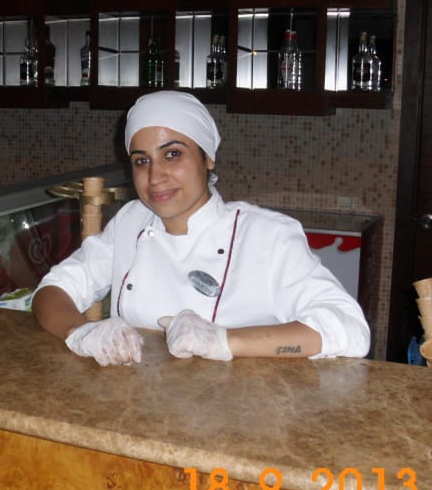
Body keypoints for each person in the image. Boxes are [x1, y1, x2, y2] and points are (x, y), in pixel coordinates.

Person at [32, 90, 370, 366]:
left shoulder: (267, 236)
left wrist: (224, 341)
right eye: (142, 161)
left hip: (239, 414)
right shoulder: (130, 222)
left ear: (207, 158)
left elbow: (351, 330)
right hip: (139, 408)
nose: (155, 177)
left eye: (173, 154)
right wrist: (81, 333)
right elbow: (53, 290)